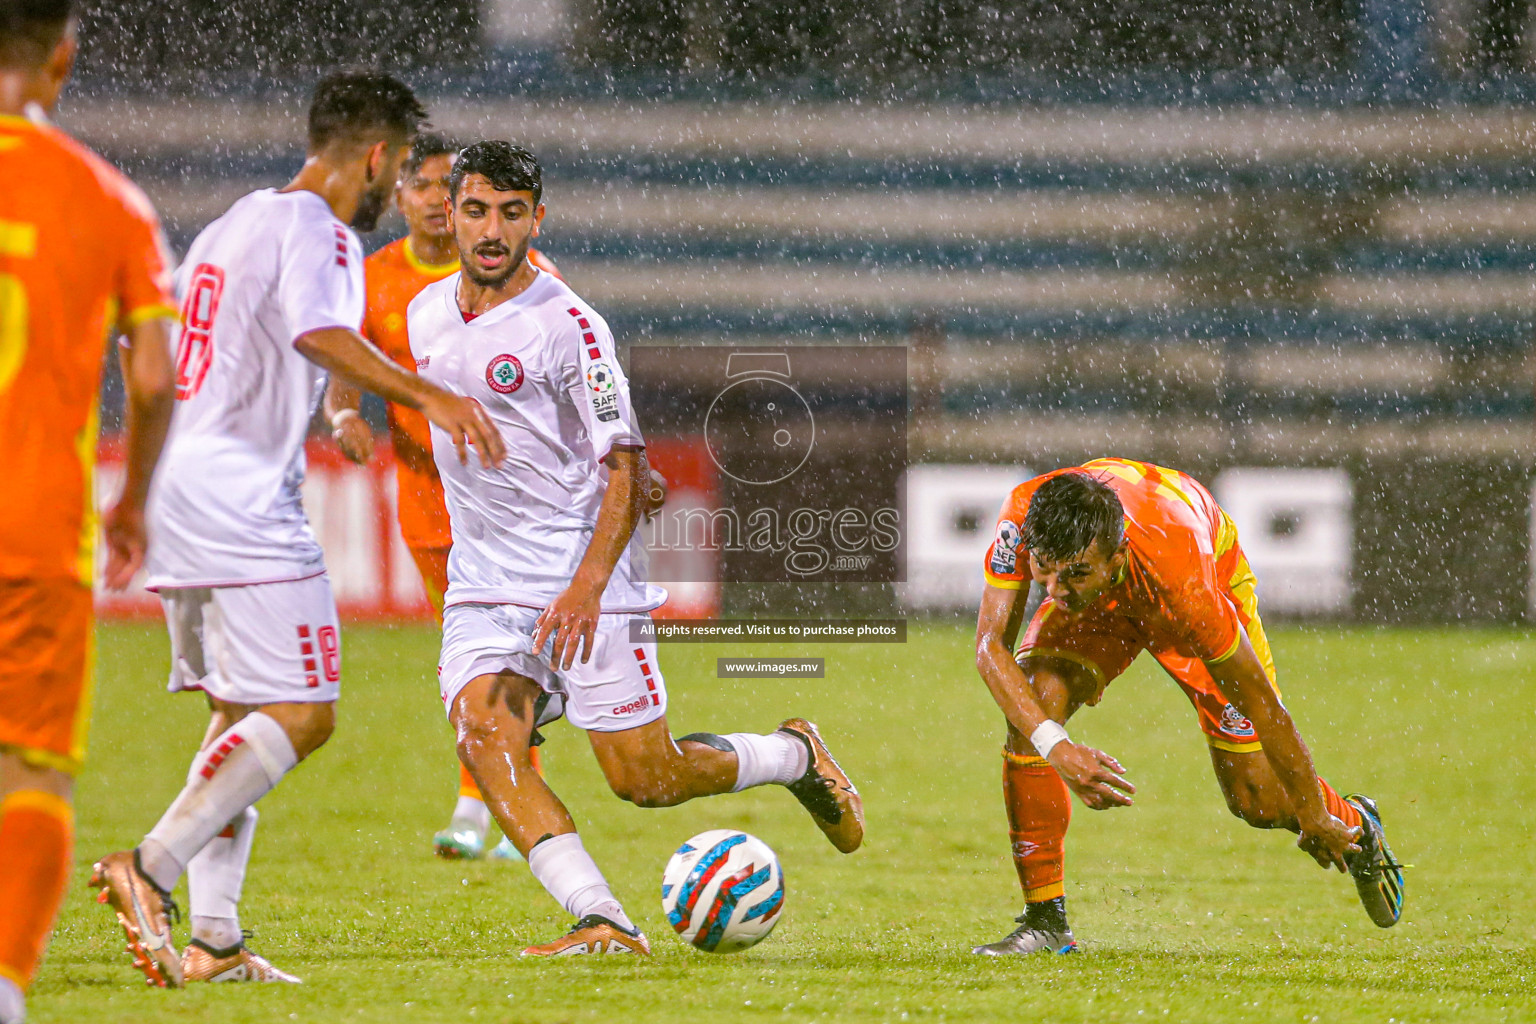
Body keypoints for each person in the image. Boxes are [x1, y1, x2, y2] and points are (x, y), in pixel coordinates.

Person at [88, 70, 505, 990]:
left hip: (181, 489)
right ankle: (149, 867)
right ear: (379, 155)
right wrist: (430, 393)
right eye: (397, 166)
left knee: (236, 716)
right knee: (303, 714)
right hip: (243, 501)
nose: (391, 185)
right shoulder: (320, 231)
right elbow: (322, 333)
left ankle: (217, 941)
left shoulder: (235, 221)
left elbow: (141, 339)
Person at [409, 140, 863, 956]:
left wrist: (584, 586)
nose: (492, 229)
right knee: (484, 737)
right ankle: (602, 919)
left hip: (588, 580)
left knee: (645, 780)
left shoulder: (572, 326)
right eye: (476, 210)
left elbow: (627, 464)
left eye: (512, 213)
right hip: (483, 583)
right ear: (451, 215)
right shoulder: (425, 314)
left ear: (535, 219)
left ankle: (791, 755)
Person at [971, 457, 1404, 955]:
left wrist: (1310, 811)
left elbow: (1262, 706)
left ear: (1116, 557)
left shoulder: (1186, 584)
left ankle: (1353, 822)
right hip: (1104, 606)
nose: (1053, 591)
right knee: (1032, 708)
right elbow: (989, 648)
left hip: (1187, 589)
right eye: (1044, 571)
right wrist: (1057, 745)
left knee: (1256, 800)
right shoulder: (1024, 515)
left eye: (1074, 574)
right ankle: (1046, 922)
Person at [0, 3, 177, 1019]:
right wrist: (133, 502)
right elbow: (152, 378)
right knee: (29, 766)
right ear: (61, 57)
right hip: (33, 529)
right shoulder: (108, 201)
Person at [323, 133, 565, 862]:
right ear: (397, 198)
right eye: (419, 186)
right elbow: (346, 362)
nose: (431, 199)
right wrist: (342, 416)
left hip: (518, 510)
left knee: (518, 666)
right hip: (431, 506)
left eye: (441, 185)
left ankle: (488, 802)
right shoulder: (375, 281)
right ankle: (505, 800)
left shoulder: (533, 282)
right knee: (477, 666)